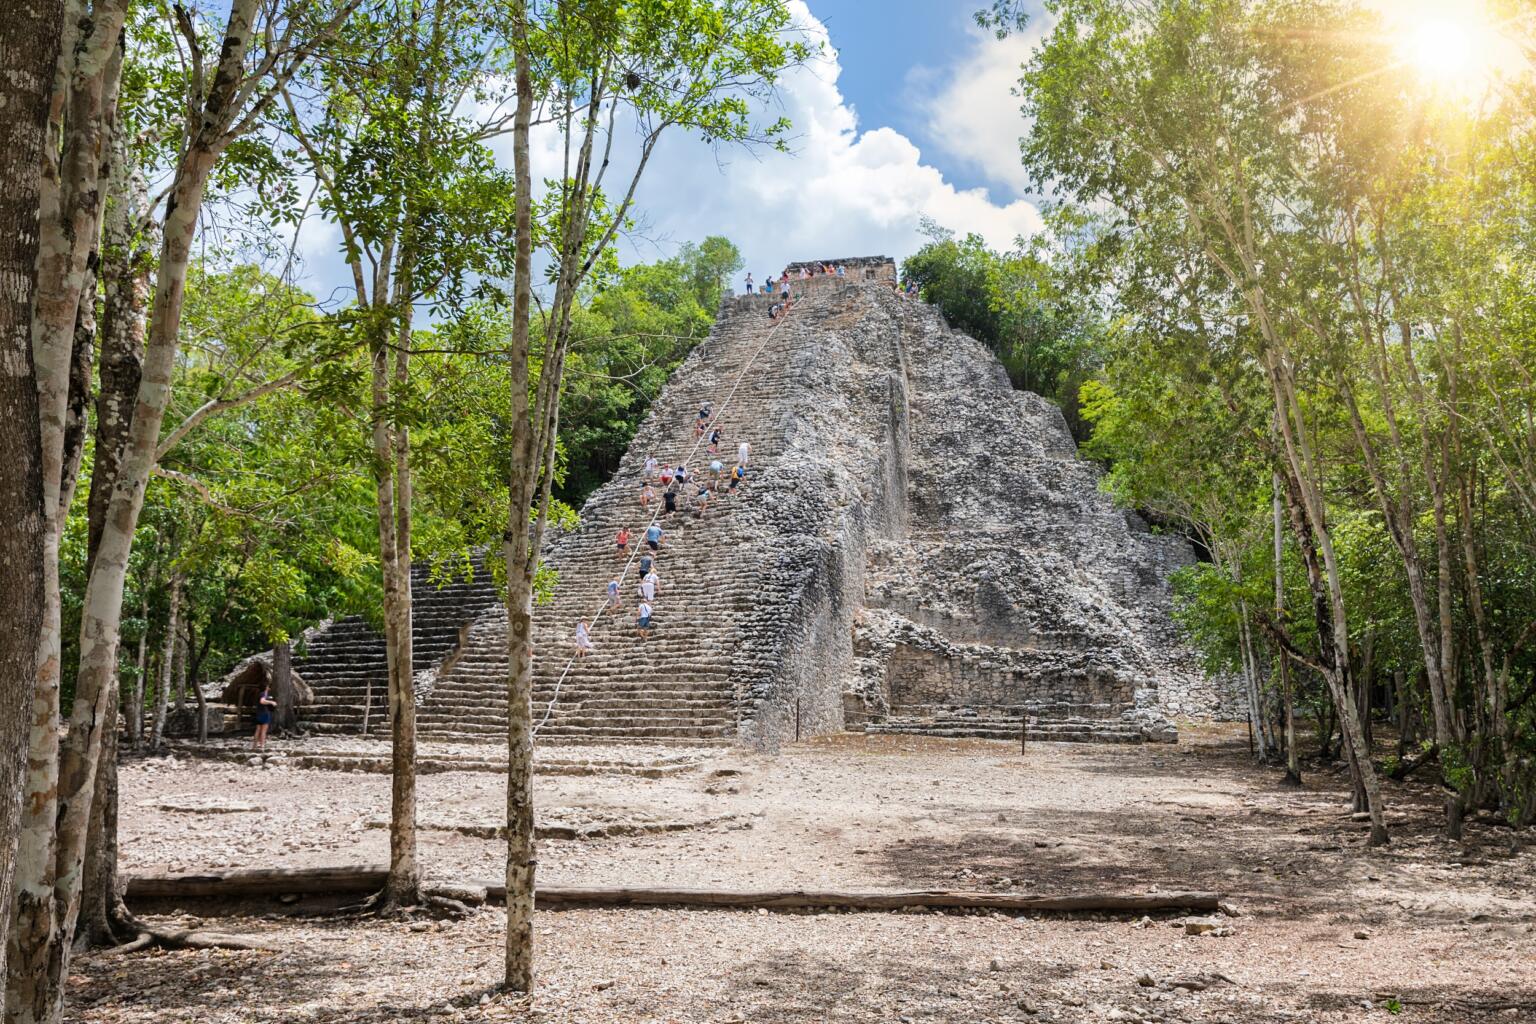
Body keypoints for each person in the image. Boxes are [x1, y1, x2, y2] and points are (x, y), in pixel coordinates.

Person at [253, 685, 277, 750]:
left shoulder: (260, 694)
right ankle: (262, 745)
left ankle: (255, 745)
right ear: (266, 687)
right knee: (263, 731)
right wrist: (271, 702)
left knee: (258, 730)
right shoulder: (263, 694)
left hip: (258, 713)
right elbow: (262, 701)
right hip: (264, 714)